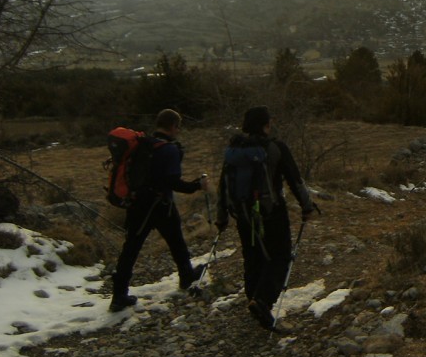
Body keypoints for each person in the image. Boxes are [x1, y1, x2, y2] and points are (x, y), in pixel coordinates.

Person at [215, 106, 314, 332]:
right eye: (269, 122)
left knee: (253, 257)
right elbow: (295, 180)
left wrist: (222, 218)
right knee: (280, 256)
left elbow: (223, 186)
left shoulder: (234, 149)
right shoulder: (275, 148)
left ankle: (253, 297)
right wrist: (307, 206)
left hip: (242, 214)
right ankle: (262, 301)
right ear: (265, 125)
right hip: (272, 212)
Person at [109, 109, 211, 312]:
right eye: (178, 127)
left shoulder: (143, 144)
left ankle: (119, 294)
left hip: (138, 205)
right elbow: (172, 182)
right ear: (173, 126)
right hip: (160, 205)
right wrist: (196, 186)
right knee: (176, 242)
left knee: (131, 249)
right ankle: (186, 277)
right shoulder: (169, 150)